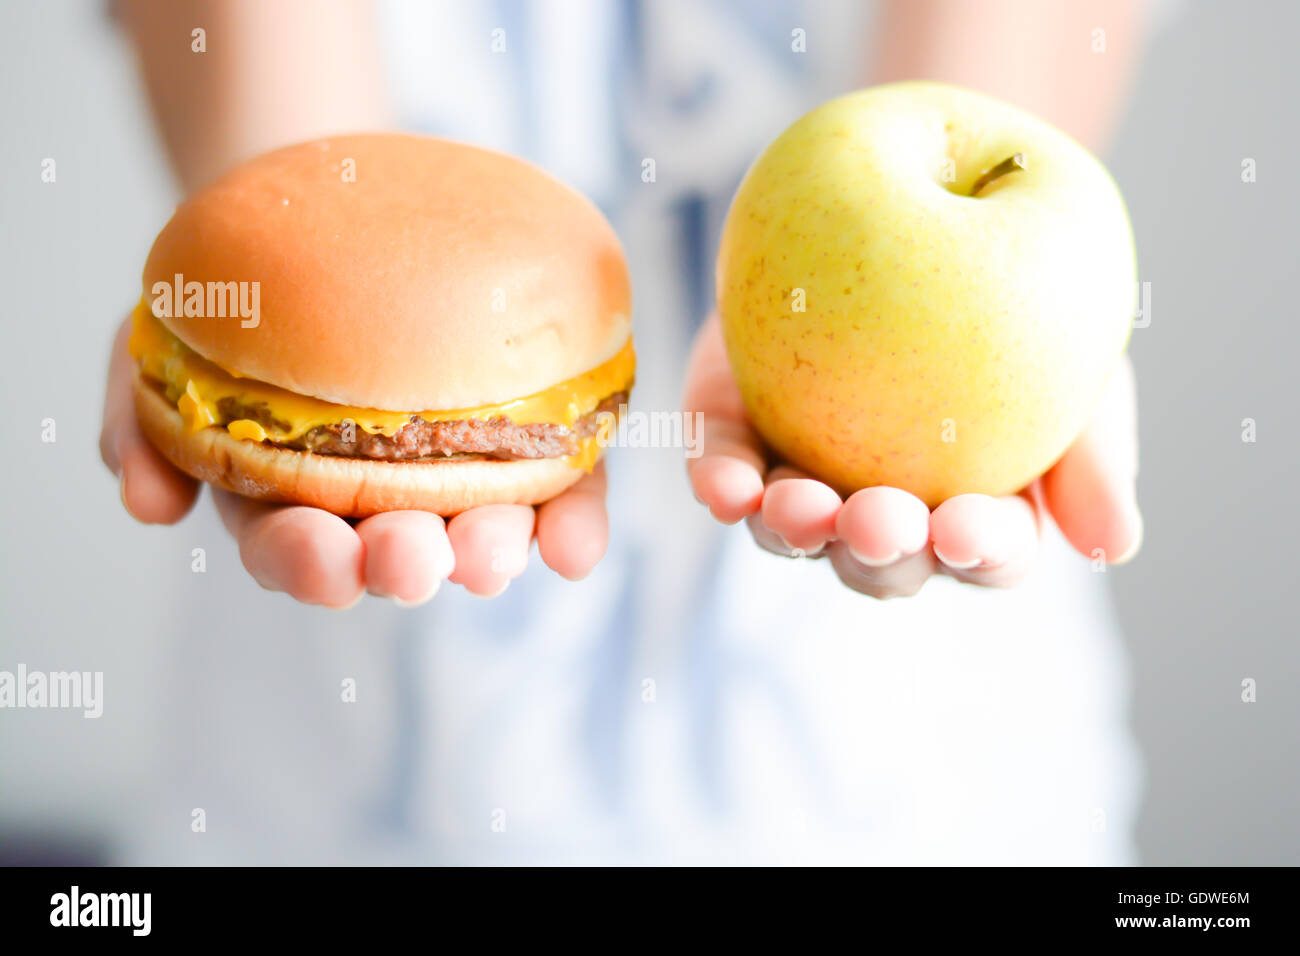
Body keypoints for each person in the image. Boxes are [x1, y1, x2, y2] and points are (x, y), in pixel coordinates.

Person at [101, 0, 1148, 864]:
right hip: (313, 794)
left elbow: (995, 105)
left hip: (934, 800)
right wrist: (273, 295)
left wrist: (992, 343)